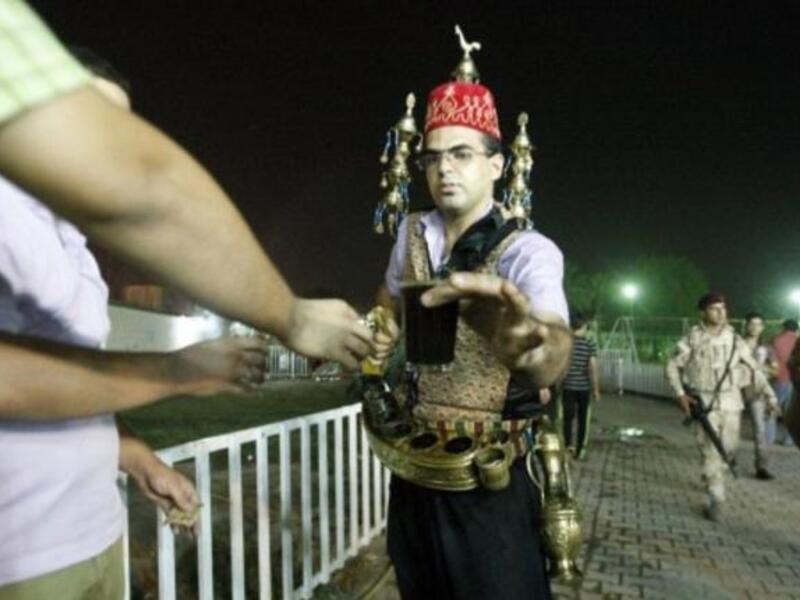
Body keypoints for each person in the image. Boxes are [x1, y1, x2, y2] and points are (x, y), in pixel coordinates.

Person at [0, 60, 268, 597]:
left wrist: (138, 457)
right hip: (24, 555)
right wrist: (176, 372)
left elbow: (76, 383)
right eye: (89, 119)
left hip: (97, 530)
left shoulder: (72, 234)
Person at [0, 0, 373, 369]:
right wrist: (290, 317)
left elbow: (75, 407)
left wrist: (128, 431)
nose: (114, 154)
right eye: (99, 126)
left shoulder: (77, 252)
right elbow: (147, 198)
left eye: (122, 131)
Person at [370, 35, 572, 599]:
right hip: (414, 468)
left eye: (461, 154)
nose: (443, 170)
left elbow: (553, 348)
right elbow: (386, 305)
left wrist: (531, 347)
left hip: (491, 478)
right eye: (432, 156)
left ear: (497, 164)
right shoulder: (412, 233)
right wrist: (370, 335)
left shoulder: (527, 252)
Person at [666, 293, 777, 522]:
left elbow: (754, 369)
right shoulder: (693, 338)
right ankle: (717, 496)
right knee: (710, 450)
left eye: (723, 308)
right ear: (703, 312)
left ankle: (713, 475)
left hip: (731, 402)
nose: (720, 312)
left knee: (728, 449)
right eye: (714, 308)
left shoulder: (736, 340)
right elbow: (671, 365)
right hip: (704, 403)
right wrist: (680, 394)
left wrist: (771, 396)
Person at [739, 312, 779, 479]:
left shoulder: (767, 348)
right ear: (746, 325)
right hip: (735, 392)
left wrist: (762, 369)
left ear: (763, 327)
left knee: (759, 431)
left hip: (757, 393)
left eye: (758, 324)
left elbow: (776, 370)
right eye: (751, 323)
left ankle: (761, 467)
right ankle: (727, 461)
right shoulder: (737, 344)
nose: (755, 327)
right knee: (729, 429)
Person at [561, 313, 600, 460]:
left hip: (568, 388)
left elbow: (561, 367)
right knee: (583, 420)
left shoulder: (566, 344)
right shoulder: (589, 344)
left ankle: (568, 445)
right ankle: (580, 449)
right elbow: (592, 367)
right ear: (584, 327)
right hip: (584, 388)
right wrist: (596, 389)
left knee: (567, 418)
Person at [769, 319, 798, 445]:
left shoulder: (776, 340)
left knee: (772, 409)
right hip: (795, 380)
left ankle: (769, 437)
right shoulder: (798, 341)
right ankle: (789, 440)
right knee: (792, 411)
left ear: (784, 327)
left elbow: (770, 358)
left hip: (778, 378)